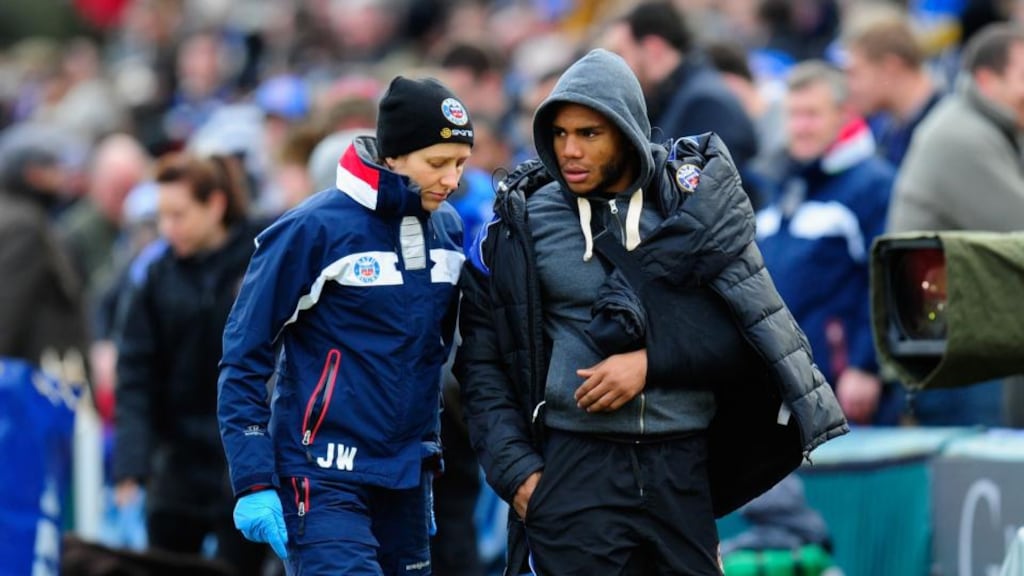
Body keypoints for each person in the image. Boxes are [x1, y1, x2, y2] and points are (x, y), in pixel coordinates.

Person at [455, 48, 847, 575]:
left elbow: (754, 336)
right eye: (559, 133)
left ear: (627, 130)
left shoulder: (700, 211)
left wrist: (650, 362)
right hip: (575, 466)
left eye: (589, 133)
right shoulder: (520, 223)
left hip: (680, 468)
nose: (569, 150)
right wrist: (517, 473)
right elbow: (482, 361)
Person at [217, 76, 473, 575]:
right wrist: (252, 478)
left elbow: (431, 357)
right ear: (393, 156)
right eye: (437, 163)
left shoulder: (448, 230)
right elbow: (244, 353)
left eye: (460, 164)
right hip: (320, 476)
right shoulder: (311, 229)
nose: (452, 179)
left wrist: (427, 455)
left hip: (404, 478)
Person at [113, 152, 271, 574]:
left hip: (245, 456)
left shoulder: (265, 260)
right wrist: (132, 461)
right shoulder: (156, 276)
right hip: (178, 459)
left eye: (178, 215)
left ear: (215, 203)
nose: (167, 228)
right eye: (161, 216)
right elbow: (135, 372)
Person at [888, 22, 1024, 426]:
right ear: (987, 80)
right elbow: (1016, 225)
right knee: (978, 479)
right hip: (954, 355)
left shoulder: (990, 127)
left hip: (961, 342)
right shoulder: (962, 136)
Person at [754, 61, 898, 426]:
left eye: (812, 115)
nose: (800, 127)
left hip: (845, 390)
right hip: (784, 389)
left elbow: (887, 279)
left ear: (842, 115)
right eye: (794, 115)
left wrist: (867, 365)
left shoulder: (872, 185)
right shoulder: (782, 183)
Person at [601, 1, 759, 174]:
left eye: (620, 53)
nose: (614, 67)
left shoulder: (706, 104)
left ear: (654, 49)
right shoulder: (670, 98)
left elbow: (703, 193)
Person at [840, 6, 944, 168]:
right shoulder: (885, 130)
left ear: (891, 67)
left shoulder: (946, 133)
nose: (848, 86)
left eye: (854, 73)